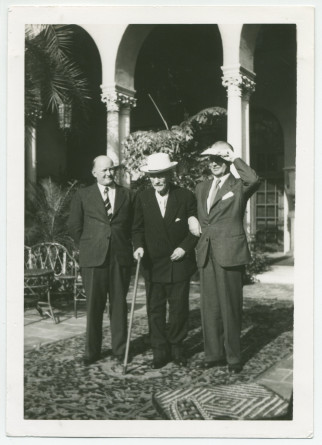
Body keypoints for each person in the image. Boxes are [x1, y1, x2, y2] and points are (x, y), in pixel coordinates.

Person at [194, 141, 260, 373]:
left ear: (227, 160)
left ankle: (233, 357)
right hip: (206, 253)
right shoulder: (201, 187)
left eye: (219, 159)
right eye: (210, 159)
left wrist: (234, 159)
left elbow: (253, 179)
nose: (213, 163)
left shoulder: (239, 185)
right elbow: (201, 215)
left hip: (229, 253)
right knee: (209, 308)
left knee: (230, 307)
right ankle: (213, 354)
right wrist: (193, 220)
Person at [132, 152, 198, 369]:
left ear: (170, 175)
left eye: (161, 175)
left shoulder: (185, 196)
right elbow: (137, 229)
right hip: (153, 264)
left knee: (179, 309)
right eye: (153, 176)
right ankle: (159, 351)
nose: (157, 180)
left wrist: (183, 248)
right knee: (155, 309)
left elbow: (195, 230)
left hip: (178, 263)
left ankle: (177, 348)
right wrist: (138, 246)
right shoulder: (142, 198)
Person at [68, 155, 135, 365]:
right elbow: (74, 226)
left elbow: (134, 225)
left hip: (119, 257)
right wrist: (89, 246)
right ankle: (92, 351)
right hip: (93, 258)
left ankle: (119, 350)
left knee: (118, 305)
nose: (108, 174)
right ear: (94, 172)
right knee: (94, 306)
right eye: (104, 170)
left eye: (111, 169)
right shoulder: (83, 195)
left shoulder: (128, 195)